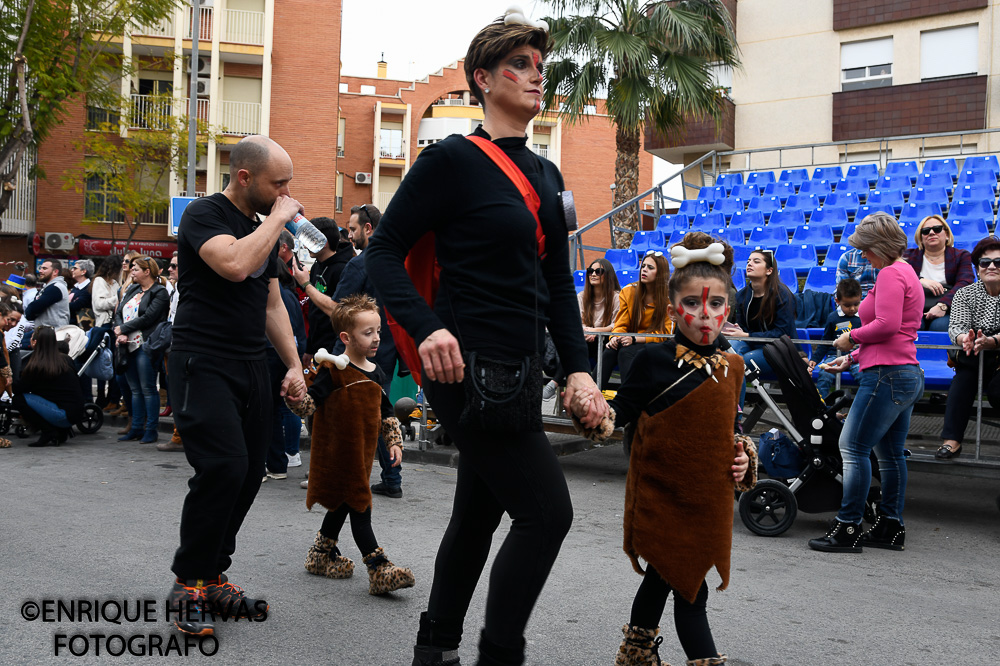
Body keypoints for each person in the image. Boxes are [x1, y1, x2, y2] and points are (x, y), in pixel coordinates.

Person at [364, 12, 608, 665]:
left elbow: (560, 285)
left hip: (523, 368)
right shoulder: (450, 159)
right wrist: (427, 325)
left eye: (539, 65)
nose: (536, 75)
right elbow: (384, 250)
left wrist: (580, 372)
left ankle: (435, 649)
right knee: (546, 514)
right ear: (483, 78)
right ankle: (499, 656)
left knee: (478, 514)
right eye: (519, 65)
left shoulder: (551, 178)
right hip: (465, 367)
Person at [568, 233, 756, 666]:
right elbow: (621, 417)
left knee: (661, 579)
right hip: (661, 496)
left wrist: (744, 455)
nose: (703, 315)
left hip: (707, 500)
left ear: (727, 310)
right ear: (673, 310)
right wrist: (592, 413)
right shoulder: (654, 361)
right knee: (690, 588)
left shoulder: (734, 365)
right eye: (692, 304)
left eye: (714, 305)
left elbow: (734, 427)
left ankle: (636, 652)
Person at [166, 134, 306, 637]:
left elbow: (271, 304)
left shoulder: (261, 229)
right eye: (279, 183)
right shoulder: (204, 215)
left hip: (252, 364)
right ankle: (189, 584)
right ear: (244, 177)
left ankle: (212, 574)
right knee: (222, 467)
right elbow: (235, 264)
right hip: (202, 361)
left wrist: (293, 365)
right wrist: (276, 220)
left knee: (248, 474)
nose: (288, 193)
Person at [808, 212, 924, 554]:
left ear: (879, 246)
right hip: (901, 371)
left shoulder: (890, 273)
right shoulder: (906, 273)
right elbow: (898, 334)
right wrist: (854, 358)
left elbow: (887, 326)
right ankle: (890, 526)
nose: (863, 256)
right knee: (890, 456)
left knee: (853, 447)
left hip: (887, 376)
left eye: (866, 249)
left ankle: (848, 528)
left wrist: (849, 339)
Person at [288, 294, 415, 595]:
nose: (376, 338)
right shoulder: (333, 372)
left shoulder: (376, 372)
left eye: (378, 331)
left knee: (345, 503)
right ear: (346, 337)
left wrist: (394, 443)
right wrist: (294, 398)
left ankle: (321, 554)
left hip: (362, 453)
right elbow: (309, 405)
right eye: (367, 332)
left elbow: (385, 413)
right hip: (338, 453)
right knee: (360, 504)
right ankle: (379, 567)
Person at [294, 203, 405, 498]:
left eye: (353, 229)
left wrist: (306, 284)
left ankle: (339, 472)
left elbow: (336, 310)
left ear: (368, 229)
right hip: (386, 347)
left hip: (353, 352)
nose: (350, 235)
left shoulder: (361, 264)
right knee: (378, 410)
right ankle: (390, 477)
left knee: (332, 409)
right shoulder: (394, 260)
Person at [937, 236, 1000, 460]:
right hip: (975, 354)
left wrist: (993, 341)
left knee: (998, 391)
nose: (991, 266)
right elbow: (956, 327)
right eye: (985, 262)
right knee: (962, 381)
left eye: (998, 262)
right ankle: (951, 441)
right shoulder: (965, 294)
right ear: (977, 268)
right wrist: (966, 338)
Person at [725, 249, 797, 406]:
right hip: (751, 345)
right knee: (726, 356)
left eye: (756, 261)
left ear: (769, 270)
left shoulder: (783, 295)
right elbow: (743, 328)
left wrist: (747, 336)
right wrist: (737, 330)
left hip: (778, 349)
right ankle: (724, 416)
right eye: (749, 261)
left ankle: (735, 422)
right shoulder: (742, 296)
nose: (750, 263)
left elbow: (782, 333)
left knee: (738, 364)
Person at [543, 257, 620, 399]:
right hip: (585, 339)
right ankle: (555, 385)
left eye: (599, 271)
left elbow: (616, 325)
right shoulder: (582, 296)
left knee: (594, 345)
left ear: (608, 275)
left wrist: (595, 332)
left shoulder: (616, 297)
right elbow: (578, 322)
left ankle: (584, 393)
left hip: (605, 341)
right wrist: (586, 332)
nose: (593, 274)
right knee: (579, 344)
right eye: (590, 271)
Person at [112, 256, 170, 443]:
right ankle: (136, 427)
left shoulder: (159, 292)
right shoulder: (133, 289)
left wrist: (123, 329)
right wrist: (120, 331)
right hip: (126, 344)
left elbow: (149, 318)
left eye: (135, 269)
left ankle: (151, 429)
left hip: (145, 344)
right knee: (134, 389)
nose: (132, 272)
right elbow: (119, 312)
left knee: (147, 388)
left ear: (147, 271)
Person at [598, 251, 672, 389]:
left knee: (626, 352)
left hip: (655, 344)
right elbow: (621, 323)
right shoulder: (628, 291)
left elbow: (665, 333)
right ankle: (590, 398)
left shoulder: (669, 298)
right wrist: (615, 336)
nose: (644, 269)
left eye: (650, 267)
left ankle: (629, 400)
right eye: (643, 266)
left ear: (660, 273)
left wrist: (634, 338)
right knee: (610, 350)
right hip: (630, 340)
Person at [262, 256, 307, 478]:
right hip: (289, 356)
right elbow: (299, 328)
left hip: (269, 353)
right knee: (285, 406)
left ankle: (273, 461)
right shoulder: (290, 296)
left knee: (266, 410)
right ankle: (287, 456)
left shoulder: (270, 296)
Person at [11, 326, 85, 447]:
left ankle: (48, 431)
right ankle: (58, 430)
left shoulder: (39, 365)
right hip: (75, 413)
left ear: (34, 342)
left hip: (63, 414)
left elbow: (18, 388)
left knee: (19, 400)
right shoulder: (64, 359)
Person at [902, 215, 974, 332]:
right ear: (920, 238)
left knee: (940, 327)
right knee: (913, 326)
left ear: (946, 234)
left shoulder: (961, 256)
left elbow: (965, 284)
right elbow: (898, 276)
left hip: (949, 308)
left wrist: (943, 305)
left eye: (937, 229)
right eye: (925, 231)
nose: (931, 233)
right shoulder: (908, 256)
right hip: (915, 308)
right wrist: (919, 280)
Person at [299, 216, 356, 360]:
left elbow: (342, 313)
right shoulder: (317, 265)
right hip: (318, 349)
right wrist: (310, 348)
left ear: (323, 242)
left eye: (310, 240)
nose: (305, 246)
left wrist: (306, 284)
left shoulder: (343, 270)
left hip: (336, 352)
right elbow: (314, 311)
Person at [808, 278, 863, 398]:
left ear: (861, 298)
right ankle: (823, 408)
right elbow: (826, 341)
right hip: (834, 356)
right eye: (847, 305)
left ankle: (863, 408)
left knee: (864, 376)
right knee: (825, 375)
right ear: (838, 301)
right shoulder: (833, 318)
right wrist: (815, 359)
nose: (852, 309)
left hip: (856, 356)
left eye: (856, 304)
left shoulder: (863, 317)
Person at [157, 251, 186, 454]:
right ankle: (179, 435)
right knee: (176, 392)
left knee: (182, 394)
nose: (169, 269)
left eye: (174, 266)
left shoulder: (186, 289)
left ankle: (181, 436)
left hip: (182, 348)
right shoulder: (176, 289)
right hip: (174, 347)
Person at [24, 259, 70, 328]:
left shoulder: (57, 287)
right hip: (44, 332)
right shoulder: (47, 287)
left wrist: (30, 310)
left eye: (44, 268)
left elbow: (34, 307)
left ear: (55, 272)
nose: (40, 271)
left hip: (54, 334)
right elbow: (30, 313)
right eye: (40, 268)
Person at [68, 259, 95, 327]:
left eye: (75, 268)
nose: (72, 270)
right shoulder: (75, 287)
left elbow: (76, 305)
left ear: (83, 271)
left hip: (82, 326)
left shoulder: (89, 288)